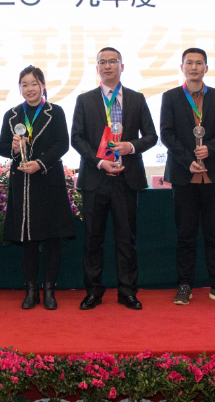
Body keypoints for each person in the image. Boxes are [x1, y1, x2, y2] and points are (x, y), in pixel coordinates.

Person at [70, 47, 158, 310]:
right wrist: (99, 161)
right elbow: (77, 138)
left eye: (112, 61)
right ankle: (93, 292)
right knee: (92, 239)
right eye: (102, 62)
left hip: (126, 178)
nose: (107, 66)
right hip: (95, 178)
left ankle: (127, 291)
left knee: (126, 239)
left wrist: (130, 147)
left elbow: (151, 136)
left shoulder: (136, 99)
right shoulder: (85, 100)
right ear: (97, 68)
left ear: (122, 66)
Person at [160, 48, 215, 306]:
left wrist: (211, 148)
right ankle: (184, 284)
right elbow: (166, 134)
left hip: (213, 175)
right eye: (189, 63)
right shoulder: (171, 97)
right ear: (182, 67)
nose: (194, 67)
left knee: (214, 234)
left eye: (199, 63)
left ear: (206, 68)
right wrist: (188, 160)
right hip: (184, 176)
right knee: (185, 234)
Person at [0, 66, 75, 310]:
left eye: (34, 84)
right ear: (19, 87)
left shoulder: (55, 111)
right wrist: (13, 149)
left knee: (52, 237)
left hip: (48, 180)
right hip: (23, 182)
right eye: (24, 84)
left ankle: (49, 290)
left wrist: (40, 163)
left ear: (43, 85)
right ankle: (30, 290)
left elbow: (63, 143)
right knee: (27, 238)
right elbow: (1, 147)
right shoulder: (11, 115)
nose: (29, 89)